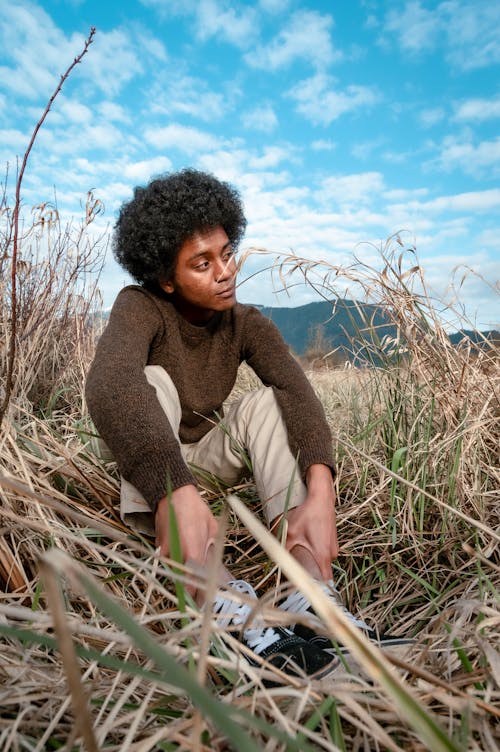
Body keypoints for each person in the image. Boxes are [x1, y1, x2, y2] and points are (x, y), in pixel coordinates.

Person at [86, 169, 408, 683]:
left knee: (270, 401)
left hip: (205, 460)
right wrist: (173, 488)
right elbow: (110, 384)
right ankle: (221, 602)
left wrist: (321, 493)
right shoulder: (140, 306)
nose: (225, 271)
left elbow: (298, 392)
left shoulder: (247, 322)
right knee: (149, 381)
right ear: (167, 278)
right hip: (154, 467)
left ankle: (310, 596)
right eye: (202, 263)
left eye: (226, 253)